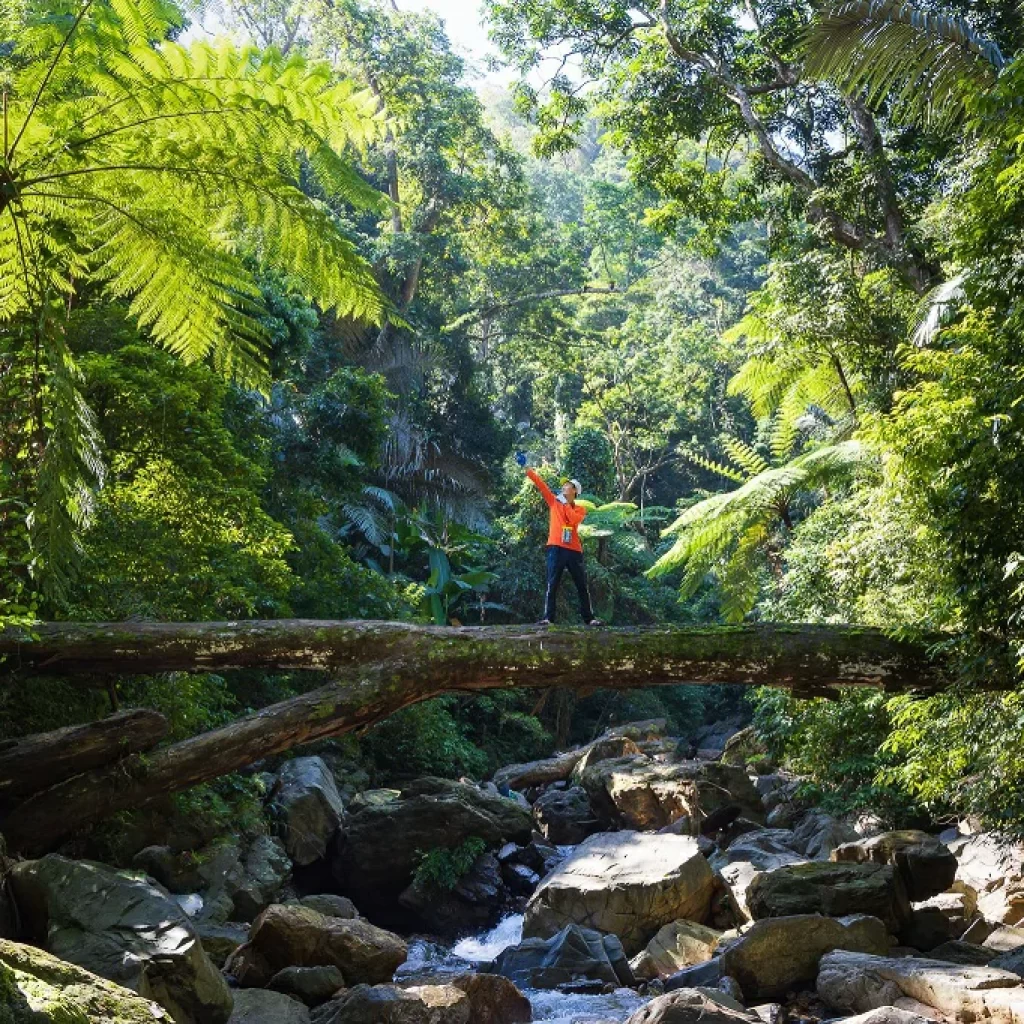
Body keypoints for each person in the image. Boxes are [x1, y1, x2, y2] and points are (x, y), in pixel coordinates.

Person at [516, 451, 602, 626]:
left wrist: (565, 503)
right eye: (564, 486)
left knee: (581, 585)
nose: (563, 487)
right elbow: (540, 484)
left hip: (574, 550)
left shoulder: (579, 510)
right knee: (552, 583)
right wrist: (526, 468)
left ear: (574, 492)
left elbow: (572, 519)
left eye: (567, 486)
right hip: (556, 547)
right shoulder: (553, 501)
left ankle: (589, 618)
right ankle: (548, 618)